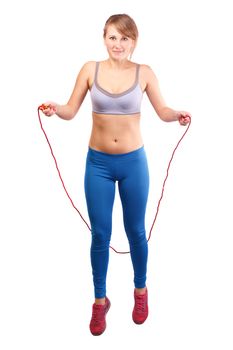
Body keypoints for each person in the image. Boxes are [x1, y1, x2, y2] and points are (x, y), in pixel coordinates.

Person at [40, 13, 191, 336]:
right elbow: (70, 110)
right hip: (98, 165)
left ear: (133, 42)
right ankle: (99, 301)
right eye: (112, 37)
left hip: (133, 163)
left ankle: (140, 292)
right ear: (103, 38)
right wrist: (56, 109)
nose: (118, 44)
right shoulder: (89, 70)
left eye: (124, 38)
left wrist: (175, 114)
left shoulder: (145, 73)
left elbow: (162, 110)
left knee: (136, 231)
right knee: (100, 234)